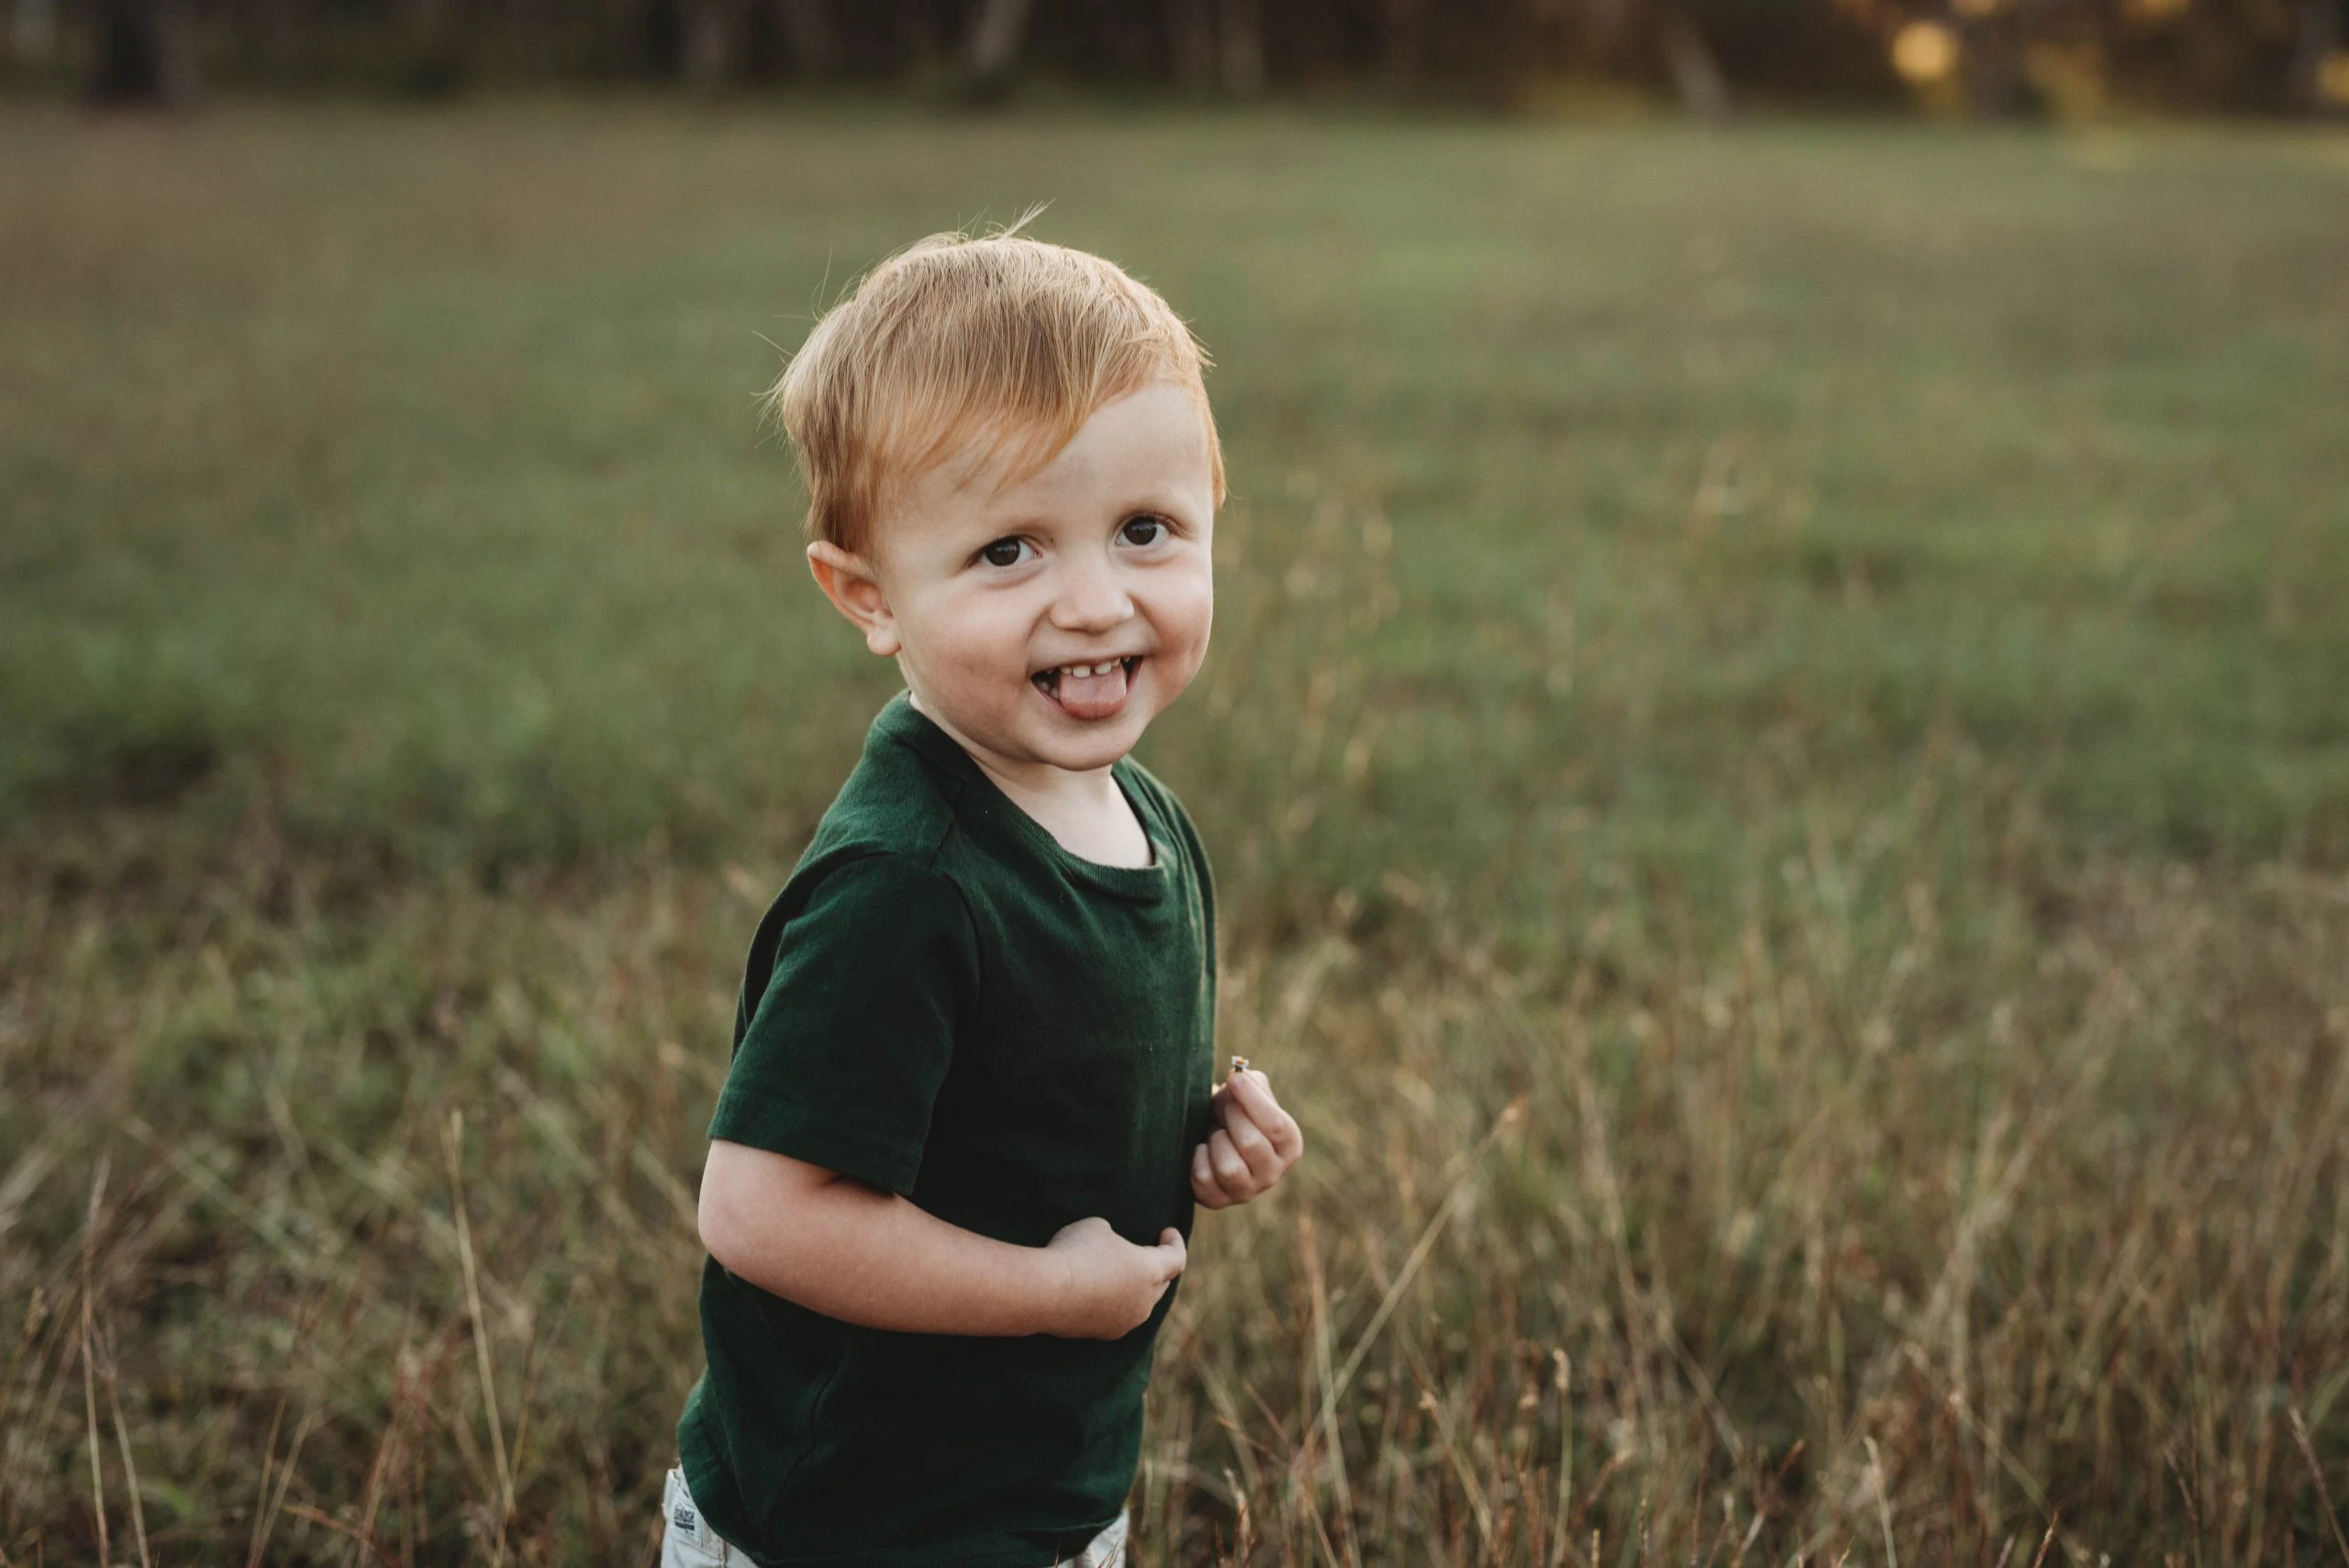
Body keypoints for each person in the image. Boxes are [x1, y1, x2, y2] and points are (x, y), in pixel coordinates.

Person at [663, 227, 1306, 1568]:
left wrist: (1196, 1141)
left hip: (1037, 1488)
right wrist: (1051, 1296)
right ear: (867, 595)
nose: (1091, 601)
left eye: (1146, 531)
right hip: (856, 1517)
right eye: (1009, 551)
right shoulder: (908, 883)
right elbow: (758, 1211)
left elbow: (1038, 1093)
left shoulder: (1140, 813)